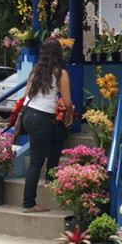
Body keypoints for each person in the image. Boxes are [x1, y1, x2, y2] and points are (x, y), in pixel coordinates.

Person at [21, 39, 74, 213]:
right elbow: (67, 103)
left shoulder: (36, 71)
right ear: (59, 53)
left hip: (29, 115)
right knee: (36, 161)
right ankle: (29, 203)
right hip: (41, 118)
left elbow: (26, 95)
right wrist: (70, 114)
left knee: (58, 137)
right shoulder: (60, 73)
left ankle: (51, 176)